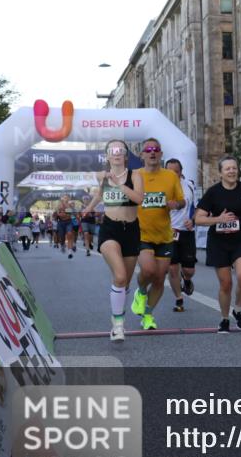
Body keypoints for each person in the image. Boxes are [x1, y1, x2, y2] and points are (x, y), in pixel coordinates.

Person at [81, 139, 145, 343]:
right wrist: (88, 209)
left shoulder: (135, 175)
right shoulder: (105, 177)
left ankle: (118, 308)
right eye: (112, 150)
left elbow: (139, 199)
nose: (117, 153)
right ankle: (118, 325)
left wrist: (119, 184)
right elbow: (100, 195)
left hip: (131, 230)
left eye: (121, 150)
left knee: (125, 281)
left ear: (126, 155)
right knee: (119, 276)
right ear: (107, 156)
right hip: (110, 228)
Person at [196, 155, 241, 333]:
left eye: (234, 168)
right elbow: (198, 219)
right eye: (227, 169)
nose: (231, 171)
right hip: (218, 243)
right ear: (221, 173)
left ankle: (238, 310)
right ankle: (224, 318)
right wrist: (218, 219)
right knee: (226, 284)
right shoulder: (213, 192)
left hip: (239, 241)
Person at [130, 138, 185, 330]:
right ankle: (141, 291)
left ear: (161, 154)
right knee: (148, 271)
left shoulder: (170, 176)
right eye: (148, 150)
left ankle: (147, 315)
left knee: (160, 278)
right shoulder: (135, 175)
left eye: (156, 150)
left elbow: (181, 201)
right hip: (141, 233)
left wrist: (175, 204)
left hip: (164, 235)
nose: (152, 152)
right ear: (142, 155)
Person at [166, 158, 197, 313]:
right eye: (169, 171)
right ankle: (179, 299)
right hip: (168, 232)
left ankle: (187, 279)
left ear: (181, 172)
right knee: (172, 269)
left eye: (176, 171)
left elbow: (196, 208)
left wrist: (193, 220)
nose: (172, 174)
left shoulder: (189, 186)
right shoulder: (161, 188)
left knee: (189, 269)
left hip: (186, 233)